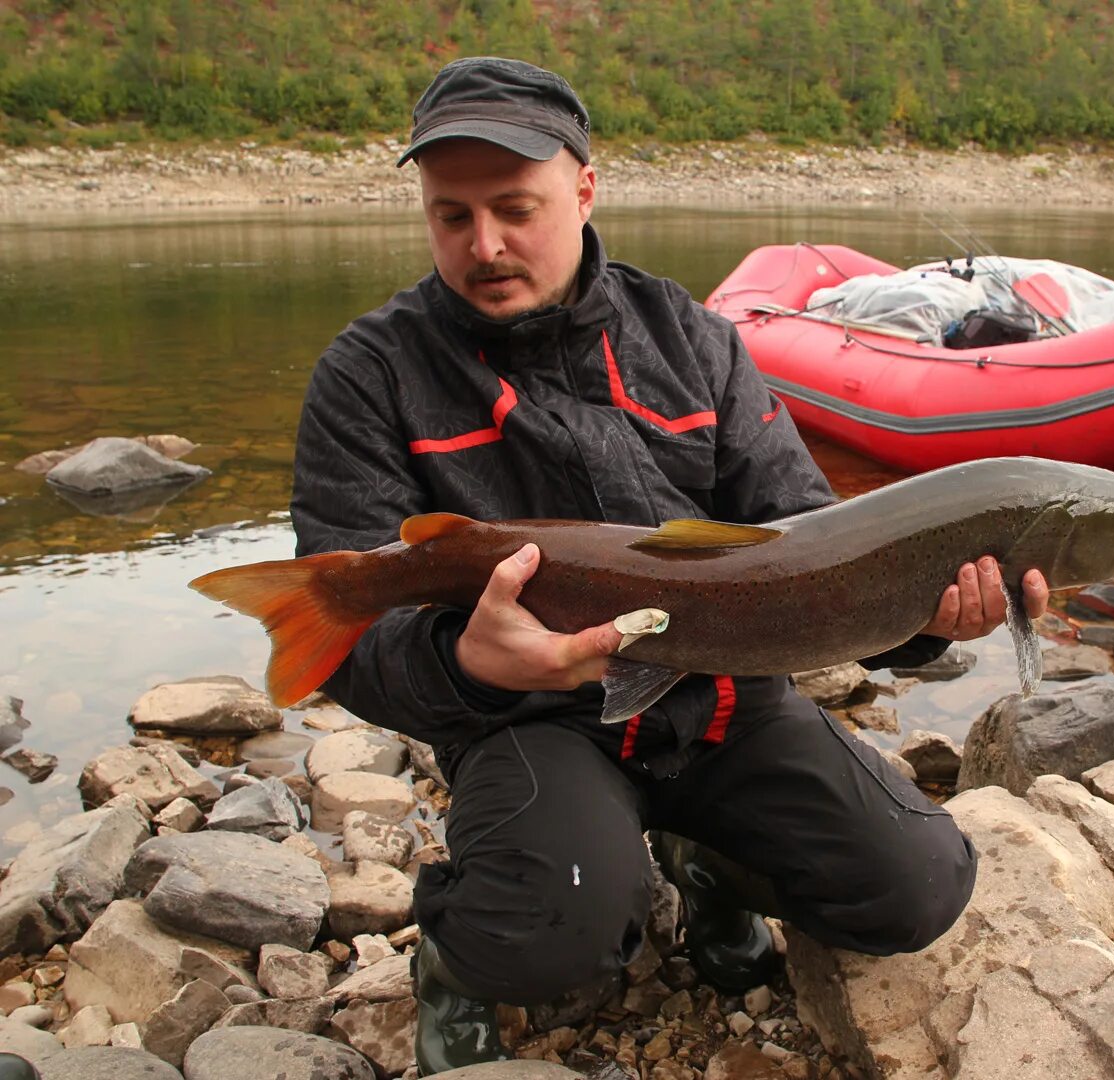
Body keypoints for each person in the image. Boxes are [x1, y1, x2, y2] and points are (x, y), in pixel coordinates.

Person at [290, 56, 1050, 1074]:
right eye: (451, 216)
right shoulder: (369, 374)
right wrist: (468, 667)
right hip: (527, 718)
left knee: (917, 889)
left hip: (721, 697)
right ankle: (453, 958)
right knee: (553, 935)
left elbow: (810, 544)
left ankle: (711, 868)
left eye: (516, 208)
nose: (485, 244)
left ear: (585, 187)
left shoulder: (693, 340)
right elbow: (348, 647)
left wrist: (926, 618)